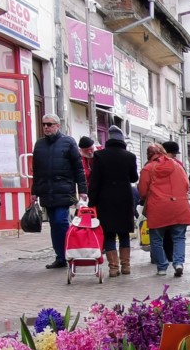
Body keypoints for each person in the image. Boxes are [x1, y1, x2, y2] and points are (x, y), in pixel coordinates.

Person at [31, 114, 87, 269]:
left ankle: (68, 252)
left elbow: (79, 168)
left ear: (57, 125)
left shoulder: (68, 142)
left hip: (64, 189)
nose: (46, 127)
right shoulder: (39, 145)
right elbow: (36, 170)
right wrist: (34, 191)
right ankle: (61, 257)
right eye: (44, 124)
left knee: (60, 222)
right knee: (54, 225)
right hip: (46, 191)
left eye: (50, 124)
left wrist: (82, 190)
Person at [89, 126, 140, 277]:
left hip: (105, 200)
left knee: (109, 233)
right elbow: (134, 178)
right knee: (124, 233)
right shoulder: (130, 156)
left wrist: (92, 202)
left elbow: (95, 181)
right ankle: (126, 267)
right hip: (124, 198)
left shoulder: (99, 156)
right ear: (122, 140)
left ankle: (113, 268)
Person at [139, 137, 190, 277]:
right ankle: (178, 263)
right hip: (179, 206)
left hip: (158, 207)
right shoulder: (177, 165)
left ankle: (162, 267)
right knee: (179, 237)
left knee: (156, 239)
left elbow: (143, 191)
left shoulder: (148, 168)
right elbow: (187, 185)